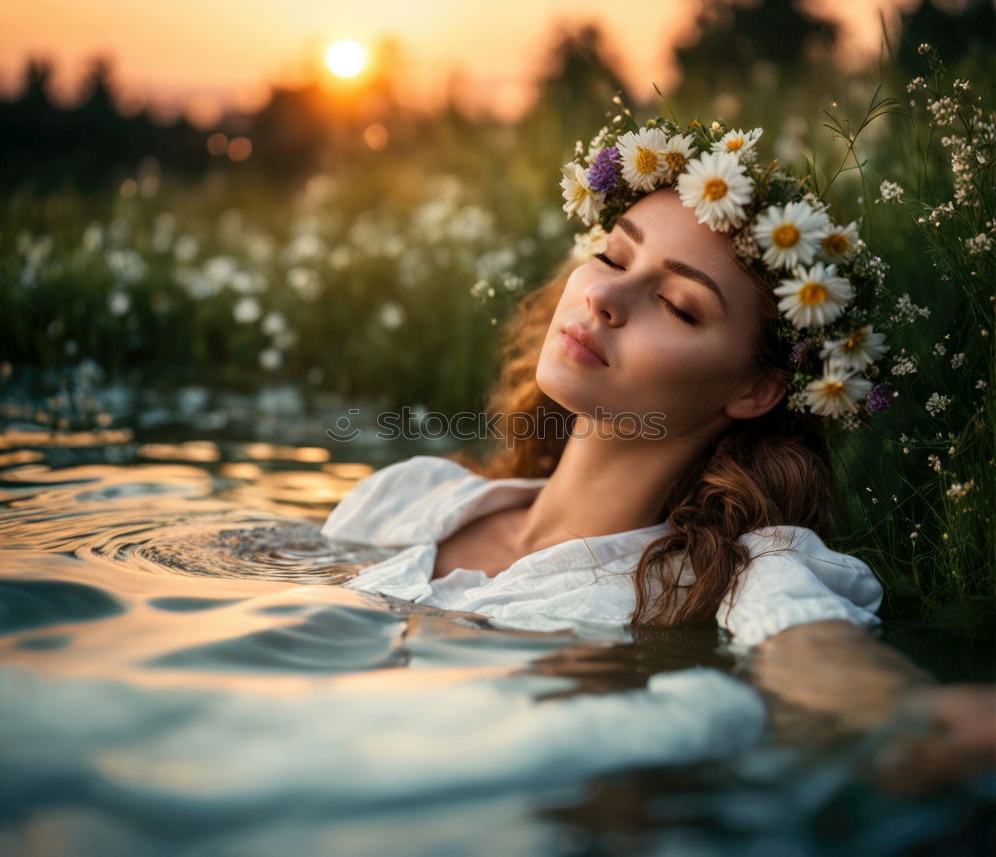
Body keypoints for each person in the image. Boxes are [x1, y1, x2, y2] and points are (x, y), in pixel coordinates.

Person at [321, 104, 995, 791]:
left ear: (757, 390)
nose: (605, 295)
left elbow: (819, 649)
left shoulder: (732, 580)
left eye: (677, 305)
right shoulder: (409, 494)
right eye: (611, 255)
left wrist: (915, 712)